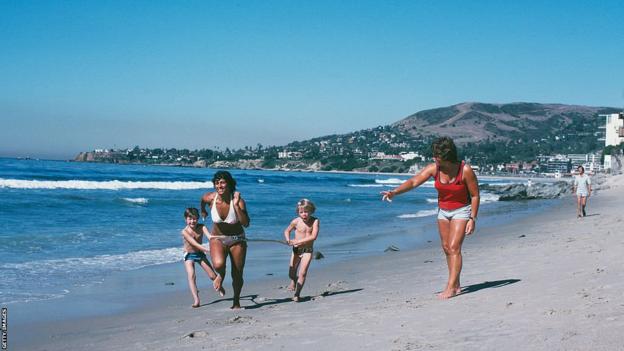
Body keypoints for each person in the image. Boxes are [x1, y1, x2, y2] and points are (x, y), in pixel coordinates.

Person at [381, 137, 480, 299]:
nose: (434, 158)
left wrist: (472, 218)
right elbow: (414, 182)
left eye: (437, 155)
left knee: (454, 247)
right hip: (443, 212)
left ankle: (450, 287)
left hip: (462, 210)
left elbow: (475, 195)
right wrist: (394, 192)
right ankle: (456, 284)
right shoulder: (434, 168)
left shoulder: (465, 170)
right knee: (447, 248)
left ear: (446, 156)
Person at [200, 171, 250, 309]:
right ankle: (221, 275)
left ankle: (236, 301)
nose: (219, 186)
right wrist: (203, 211)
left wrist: (235, 205)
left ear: (229, 184)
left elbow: (246, 223)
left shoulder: (238, 201)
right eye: (217, 183)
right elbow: (202, 201)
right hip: (218, 238)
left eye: (222, 182)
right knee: (218, 265)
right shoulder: (210, 198)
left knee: (237, 273)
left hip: (237, 239)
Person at [181, 207, 225, 308]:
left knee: (212, 276)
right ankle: (196, 300)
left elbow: (210, 237)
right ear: (186, 219)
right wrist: (208, 250)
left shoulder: (202, 227)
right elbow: (195, 244)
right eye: (190, 218)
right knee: (191, 276)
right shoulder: (184, 232)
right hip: (189, 255)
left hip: (200, 254)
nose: (192, 221)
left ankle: (219, 286)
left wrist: (220, 238)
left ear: (198, 219)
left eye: (195, 218)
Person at [283, 199, 320, 302]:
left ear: (311, 211)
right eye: (301, 212)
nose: (304, 214)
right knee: (291, 273)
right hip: (296, 249)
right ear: (298, 212)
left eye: (306, 211)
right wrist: (288, 239)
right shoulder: (295, 221)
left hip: (307, 250)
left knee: (302, 273)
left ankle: (297, 294)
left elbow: (313, 237)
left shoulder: (315, 221)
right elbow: (287, 231)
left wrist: (298, 241)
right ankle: (294, 280)